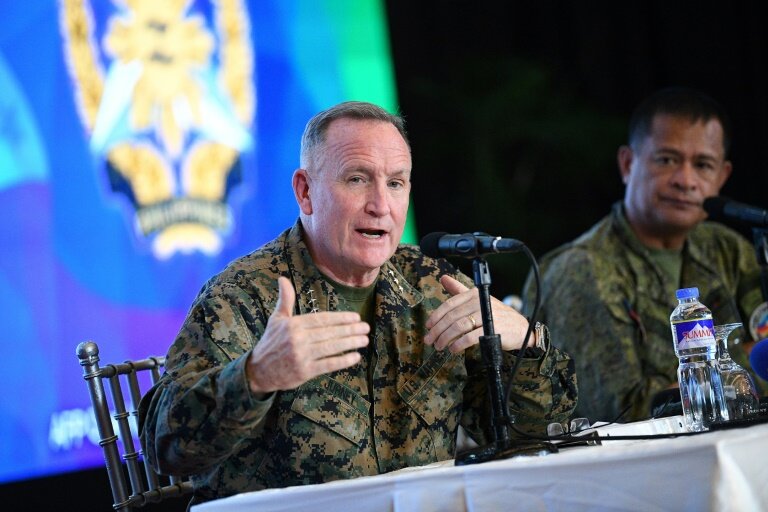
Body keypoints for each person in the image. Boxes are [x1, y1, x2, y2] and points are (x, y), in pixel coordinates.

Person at [139, 101, 577, 504]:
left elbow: (531, 433)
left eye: (395, 182)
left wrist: (526, 343)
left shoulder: (433, 285)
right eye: (357, 179)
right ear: (306, 192)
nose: (380, 205)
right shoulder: (243, 296)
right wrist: (255, 376)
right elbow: (166, 449)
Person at [522, 86, 767, 424]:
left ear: (721, 177)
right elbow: (624, 412)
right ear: (627, 164)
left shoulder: (728, 249)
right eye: (667, 160)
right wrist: (742, 364)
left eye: (703, 165)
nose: (686, 180)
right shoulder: (581, 269)